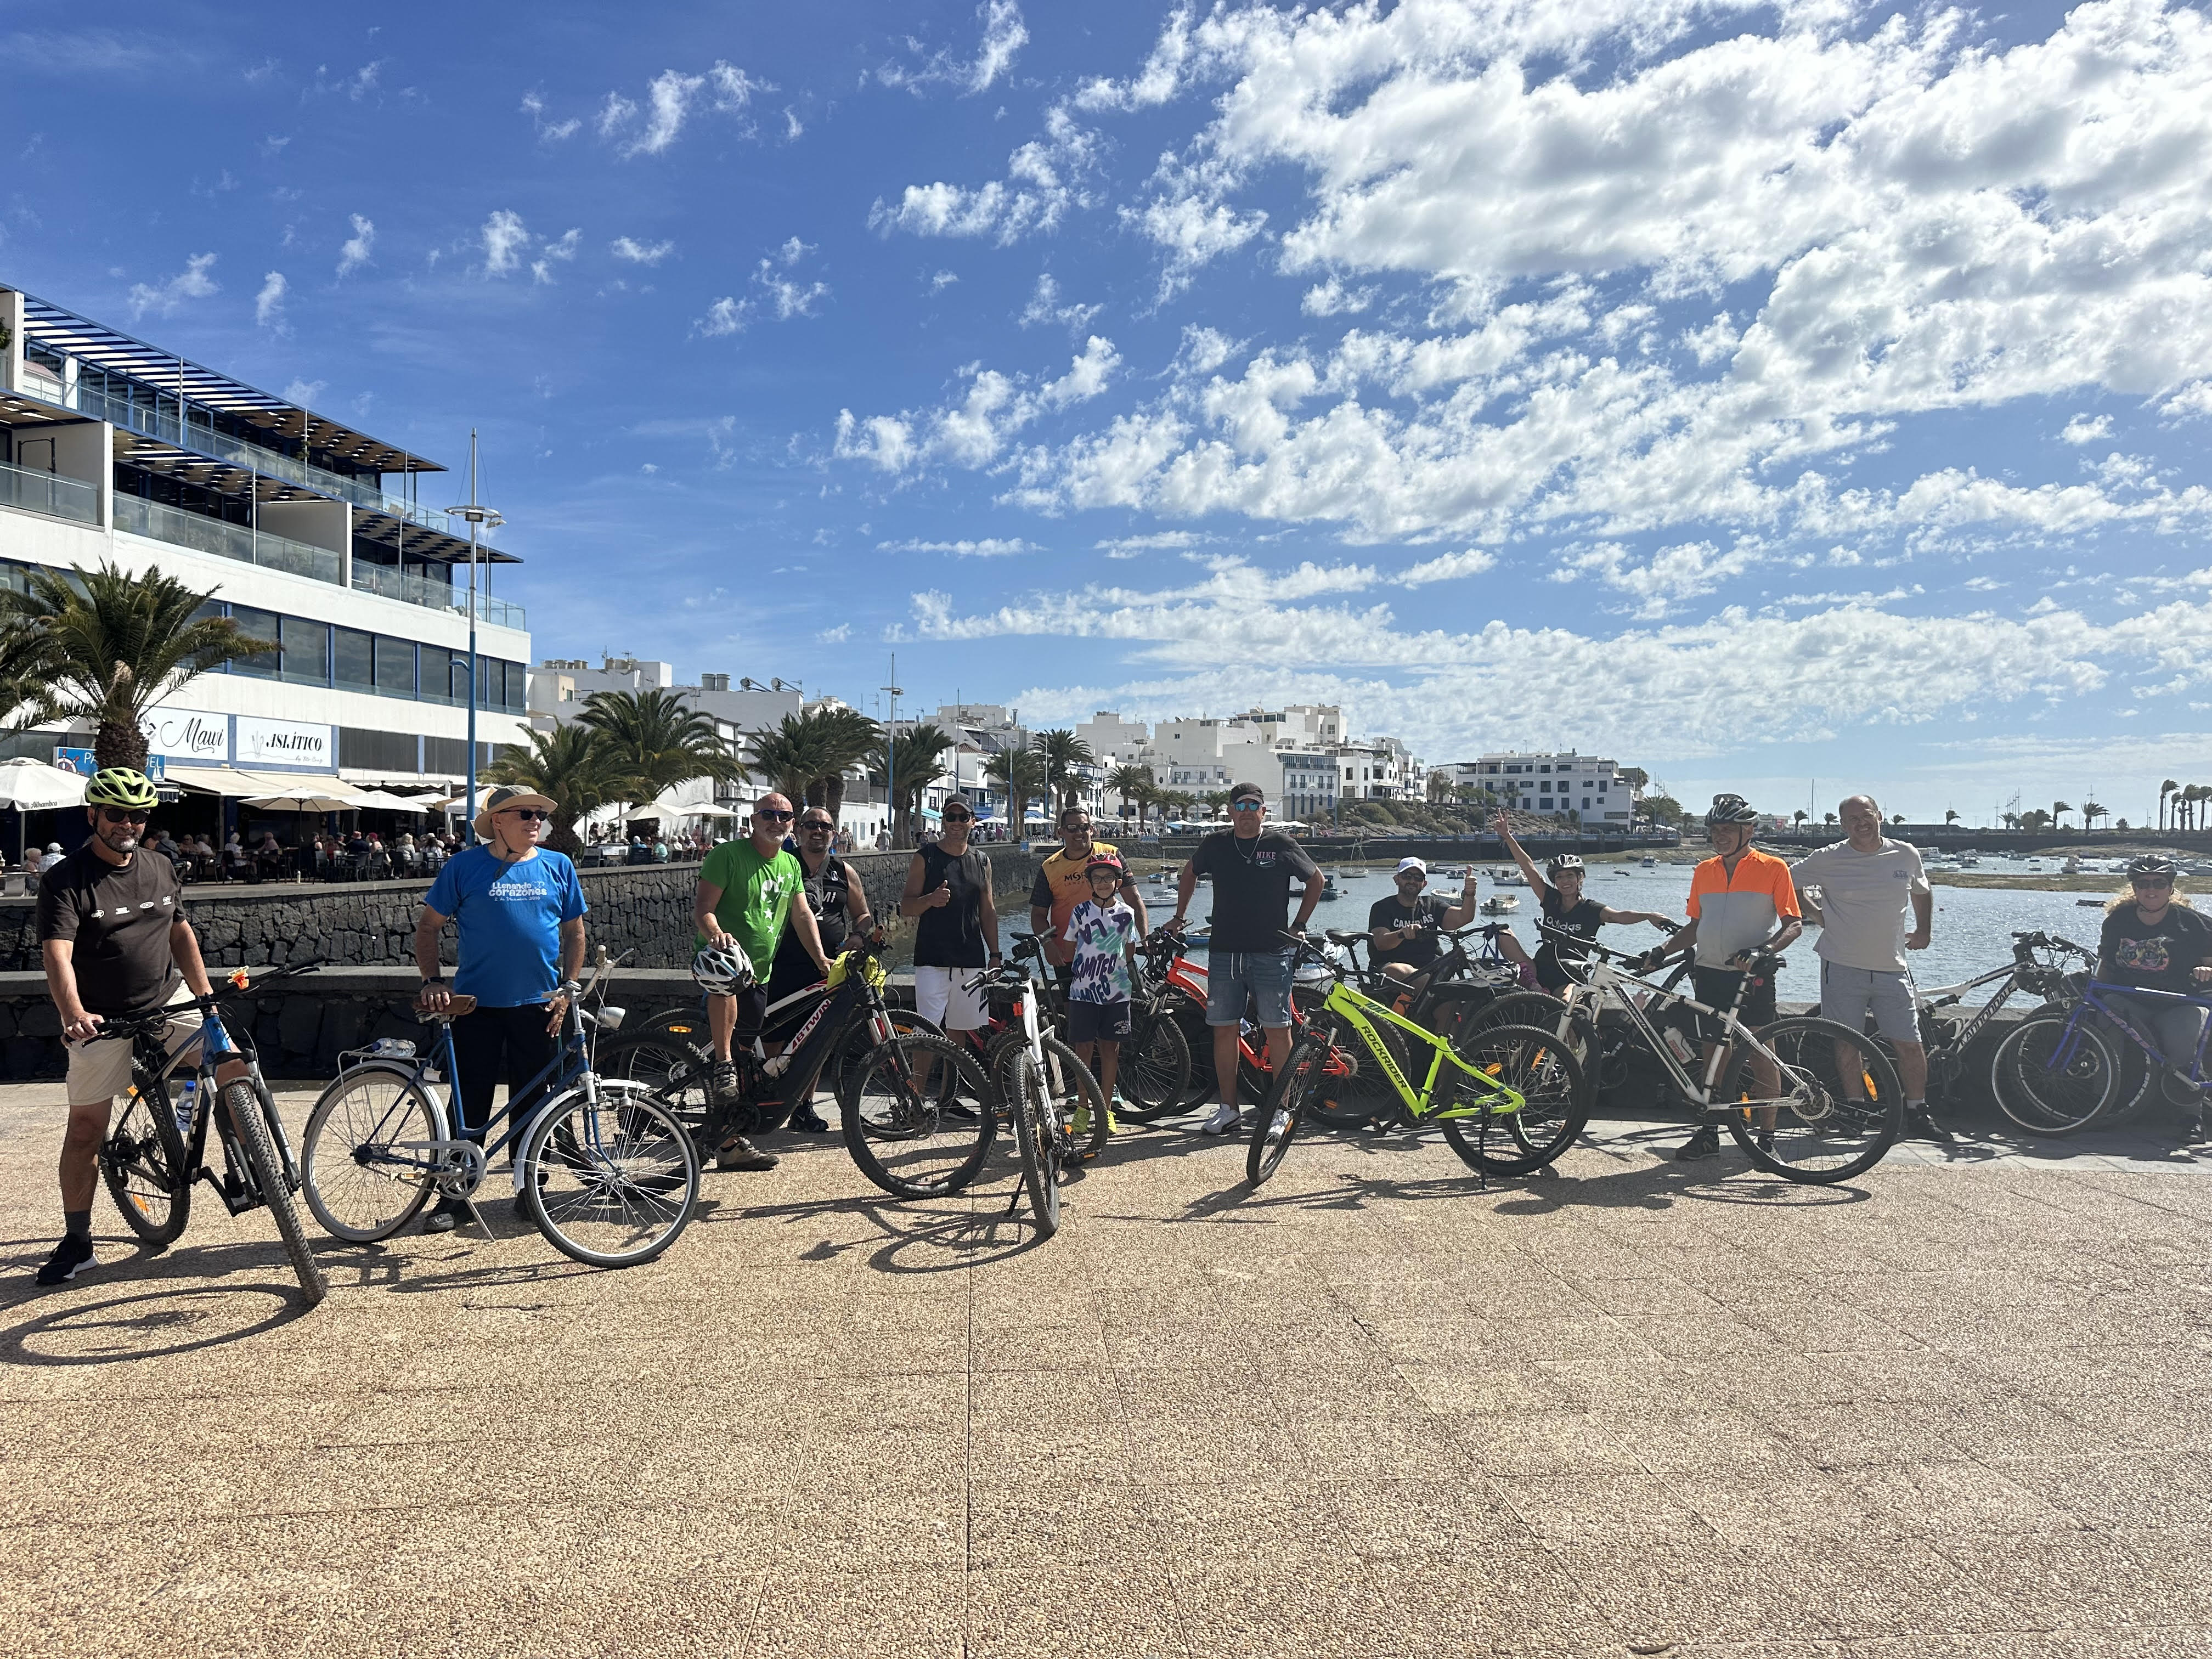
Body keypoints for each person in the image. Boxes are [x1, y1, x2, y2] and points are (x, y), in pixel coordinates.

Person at [32, 769, 242, 1285]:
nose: (129, 824)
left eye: (139, 815)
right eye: (117, 814)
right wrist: (73, 1014)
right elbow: (57, 957)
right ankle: (78, 1241)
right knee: (86, 1131)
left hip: (166, 998)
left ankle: (252, 1167)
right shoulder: (64, 880)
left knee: (233, 1065)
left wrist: (205, 997)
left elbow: (180, 933)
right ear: (93, 816)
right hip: (101, 1017)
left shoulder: (161, 866)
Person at [414, 784, 589, 1232]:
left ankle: (531, 1189)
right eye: (525, 814)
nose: (536, 822)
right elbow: (429, 928)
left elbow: (574, 933)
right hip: (476, 1006)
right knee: (468, 1100)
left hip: (540, 1004)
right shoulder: (464, 867)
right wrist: (433, 981)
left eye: (539, 816)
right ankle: (452, 1195)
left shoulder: (558, 866)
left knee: (535, 1103)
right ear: (498, 821)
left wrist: (568, 987)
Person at [1631, 794, 1802, 1161]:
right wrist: (1662, 951)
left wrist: (1766, 952)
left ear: (1749, 831)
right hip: (1709, 975)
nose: (1720, 836)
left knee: (1761, 1057)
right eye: (1715, 830)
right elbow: (1696, 926)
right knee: (1714, 1059)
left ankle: (1767, 1138)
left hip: (1750, 977)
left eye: (1729, 829)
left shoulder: (1773, 868)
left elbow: (1794, 924)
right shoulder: (1704, 870)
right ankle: (1709, 1135)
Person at [1163, 782, 1323, 1134]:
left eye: (1254, 805)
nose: (1247, 812)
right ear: (1231, 811)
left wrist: (1299, 925)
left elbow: (1316, 881)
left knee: (1278, 1031)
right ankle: (1228, 1108)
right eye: (1241, 806)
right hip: (1224, 951)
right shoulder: (1217, 844)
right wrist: (1179, 915)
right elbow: (1189, 872)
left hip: (1271, 952)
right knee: (1225, 1030)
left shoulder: (1280, 844)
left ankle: (1282, 1111)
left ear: (1263, 811)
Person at [1790, 795, 1946, 1143]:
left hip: (1892, 966)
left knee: (1909, 1042)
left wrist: (1924, 931)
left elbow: (1922, 891)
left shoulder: (1905, 854)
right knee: (1848, 1042)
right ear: (1843, 825)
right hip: (1841, 965)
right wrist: (1817, 914)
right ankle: (1855, 1111)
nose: (1860, 823)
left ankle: (1918, 1111)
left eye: (1866, 815)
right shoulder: (1829, 858)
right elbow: (1789, 881)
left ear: (1879, 815)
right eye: (1851, 819)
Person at [694, 791, 832, 1172]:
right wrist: (717, 935)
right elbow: (704, 909)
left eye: (785, 816)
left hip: (761, 972)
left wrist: (821, 958)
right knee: (732, 1060)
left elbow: (802, 915)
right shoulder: (728, 856)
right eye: (769, 814)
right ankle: (722, 1088)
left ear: (793, 824)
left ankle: (727, 1141)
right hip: (723, 966)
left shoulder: (790, 864)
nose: (777, 821)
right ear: (754, 819)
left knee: (746, 1059)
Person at [763, 806, 877, 1133]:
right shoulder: (784, 865)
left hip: (828, 970)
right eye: (811, 825)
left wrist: (857, 936)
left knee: (815, 1040)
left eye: (825, 826)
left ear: (834, 832)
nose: (818, 831)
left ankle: (803, 1106)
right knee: (776, 1035)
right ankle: (774, 1096)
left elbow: (863, 915)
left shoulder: (844, 871)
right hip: (781, 964)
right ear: (798, 830)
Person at [1492, 815, 1679, 1000]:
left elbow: (1620, 916)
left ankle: (1542, 995)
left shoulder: (1590, 909)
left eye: (1570, 876)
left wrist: (1648, 915)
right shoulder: (1550, 899)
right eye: (1560, 877)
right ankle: (1532, 983)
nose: (1565, 882)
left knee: (1565, 1005)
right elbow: (1529, 867)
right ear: (1554, 881)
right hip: (1538, 969)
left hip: (1569, 975)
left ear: (1580, 878)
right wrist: (1508, 837)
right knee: (1503, 932)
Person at [2097, 853, 2212, 1143]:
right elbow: (2106, 966)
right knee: (2105, 1016)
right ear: (2133, 888)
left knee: (2182, 1046)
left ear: (2171, 888)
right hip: (2131, 999)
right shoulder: (2117, 922)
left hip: (2179, 1003)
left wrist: (2205, 969)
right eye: (2144, 883)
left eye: (2159, 883)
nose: (2151, 889)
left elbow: (2210, 964)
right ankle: (2101, 1104)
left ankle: (2191, 1118)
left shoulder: (2194, 924)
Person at [899, 793, 1001, 1061]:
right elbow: (906, 907)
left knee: (960, 1034)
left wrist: (996, 954)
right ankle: (917, 1099)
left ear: (972, 822)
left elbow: (988, 911)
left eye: (963, 817)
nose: (957, 823)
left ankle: (950, 1099)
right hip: (933, 960)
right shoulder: (926, 857)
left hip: (971, 960)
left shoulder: (982, 861)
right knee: (926, 1035)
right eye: (951, 817)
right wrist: (930, 900)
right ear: (943, 821)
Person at [1030, 805, 1148, 992]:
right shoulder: (1049, 867)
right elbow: (1038, 914)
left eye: (1084, 827)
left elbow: (1133, 899)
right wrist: (1047, 944)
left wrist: (1144, 937)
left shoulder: (1111, 854)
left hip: (1112, 951)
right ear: (1061, 832)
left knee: (1120, 1008)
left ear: (1092, 830)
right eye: (1072, 828)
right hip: (1068, 953)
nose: (1079, 833)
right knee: (1074, 1011)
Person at [1063, 854, 1141, 1118]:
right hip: (1083, 992)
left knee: (1111, 1049)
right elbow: (1070, 946)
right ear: (1090, 882)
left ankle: (1106, 1110)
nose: (1103, 883)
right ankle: (1083, 1109)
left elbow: (1129, 950)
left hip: (1117, 993)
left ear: (1118, 882)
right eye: (1097, 878)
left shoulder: (1127, 914)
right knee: (1082, 1050)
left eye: (1109, 878)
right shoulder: (1080, 912)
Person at [1367, 855, 1480, 986]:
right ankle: (1441, 990)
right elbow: (1381, 943)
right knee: (1398, 971)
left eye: (1418, 878)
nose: (1412, 881)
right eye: (1407, 876)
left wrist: (1470, 894)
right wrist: (1402, 933)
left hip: (1432, 967)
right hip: (1391, 965)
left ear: (1424, 884)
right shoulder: (1382, 908)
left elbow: (1464, 917)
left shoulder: (1432, 905)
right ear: (1397, 879)